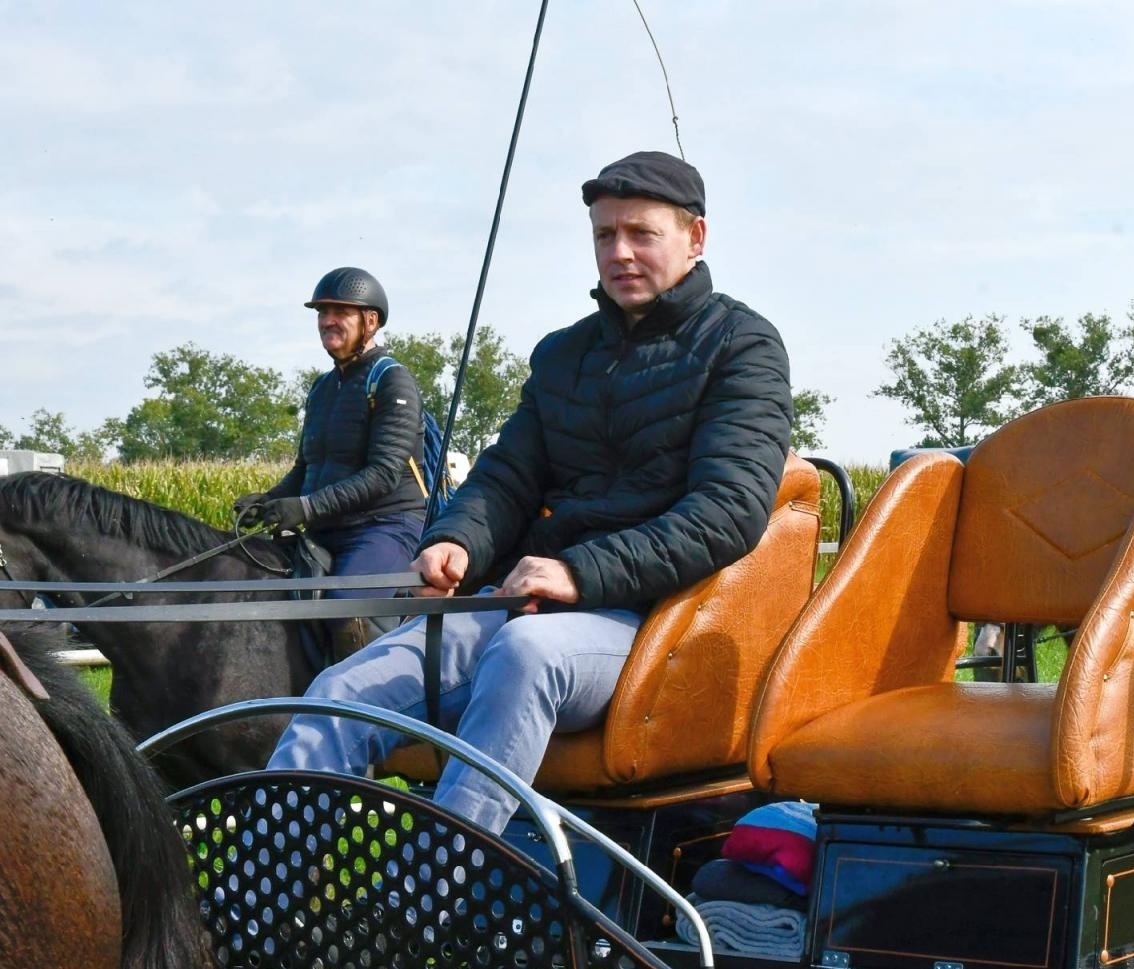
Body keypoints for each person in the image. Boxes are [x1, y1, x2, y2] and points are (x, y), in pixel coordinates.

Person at [267, 151, 794, 835]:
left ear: (695, 237)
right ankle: (260, 884)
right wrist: (457, 540)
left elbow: (728, 511)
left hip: (658, 619)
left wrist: (579, 571)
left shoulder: (742, 346)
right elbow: (506, 475)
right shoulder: (563, 355)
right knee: (341, 691)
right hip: (535, 600)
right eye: (605, 235)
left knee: (525, 655)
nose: (620, 252)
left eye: (641, 233)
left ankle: (440, 878)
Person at [233, 267, 428, 598]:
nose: (327, 321)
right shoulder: (321, 387)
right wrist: (269, 501)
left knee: (342, 605)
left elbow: (383, 474)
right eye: (323, 313)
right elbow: (305, 468)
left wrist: (306, 508)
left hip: (385, 526)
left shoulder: (392, 380)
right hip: (326, 528)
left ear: (370, 321)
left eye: (340, 312)